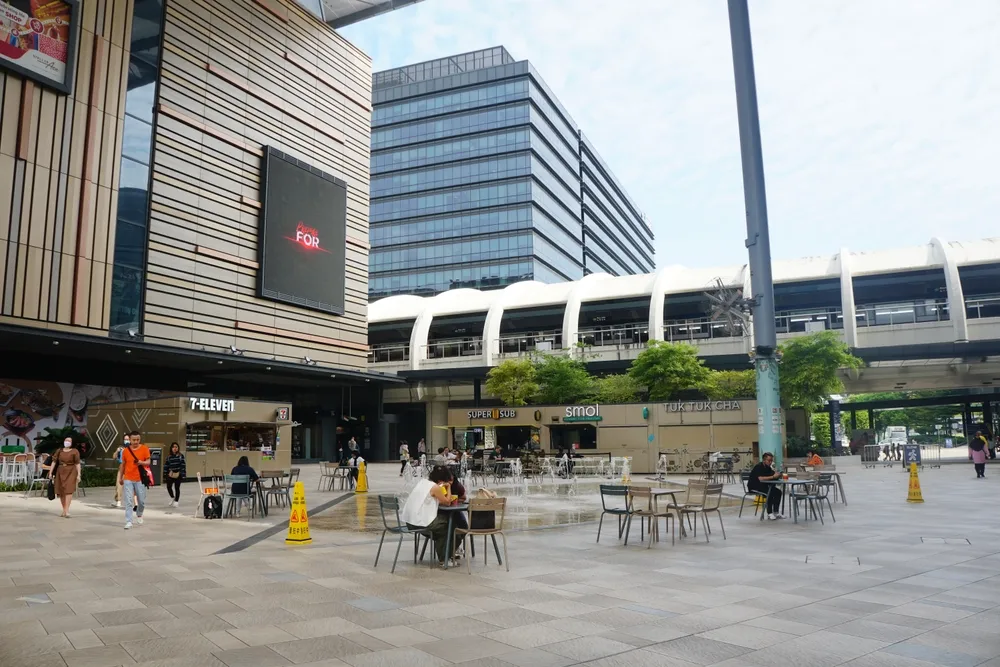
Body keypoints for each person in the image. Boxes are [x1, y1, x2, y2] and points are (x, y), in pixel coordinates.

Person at [400, 466, 458, 565]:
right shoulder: (435, 487)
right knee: (449, 525)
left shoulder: (422, 483)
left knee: (442, 526)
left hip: (410, 522)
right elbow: (447, 502)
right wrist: (448, 488)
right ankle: (444, 559)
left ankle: (446, 553)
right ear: (441, 480)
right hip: (420, 524)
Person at [121, 431, 150, 529]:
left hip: (140, 479)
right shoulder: (125, 451)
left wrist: (141, 462)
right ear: (130, 440)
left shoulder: (144, 449)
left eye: (138, 439)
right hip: (128, 478)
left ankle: (139, 513)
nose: (136, 441)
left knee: (141, 500)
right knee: (129, 500)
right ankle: (129, 521)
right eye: (134, 440)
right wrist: (121, 477)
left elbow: (148, 461)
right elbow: (123, 465)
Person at [748, 452, 784, 520]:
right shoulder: (759, 466)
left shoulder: (768, 467)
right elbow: (760, 478)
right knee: (769, 492)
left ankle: (776, 512)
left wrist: (778, 474)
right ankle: (769, 513)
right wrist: (773, 476)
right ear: (764, 460)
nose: (770, 462)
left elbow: (772, 474)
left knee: (778, 492)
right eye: (769, 460)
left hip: (763, 486)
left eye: (771, 460)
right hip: (754, 486)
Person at [52, 436, 81, 518]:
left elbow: (77, 463)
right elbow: (54, 462)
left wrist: (79, 474)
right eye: (66, 440)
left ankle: (67, 510)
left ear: (71, 443)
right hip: (60, 471)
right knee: (61, 491)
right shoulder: (59, 451)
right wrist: (50, 472)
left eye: (69, 441)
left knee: (69, 490)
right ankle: (64, 509)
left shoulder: (75, 451)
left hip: (71, 471)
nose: (67, 442)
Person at [164, 442, 186, 507]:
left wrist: (183, 474)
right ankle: (172, 497)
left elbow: (183, 465)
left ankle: (176, 501)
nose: (175, 448)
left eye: (176, 447)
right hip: (171, 474)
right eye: (173, 447)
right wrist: (165, 474)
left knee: (177, 487)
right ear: (171, 448)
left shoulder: (180, 456)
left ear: (178, 448)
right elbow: (166, 465)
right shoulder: (169, 457)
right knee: (169, 486)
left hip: (178, 474)